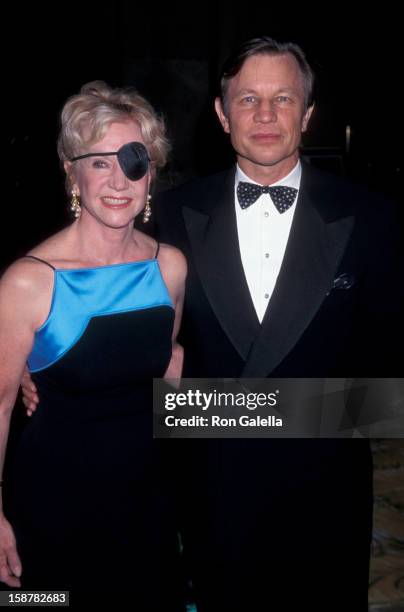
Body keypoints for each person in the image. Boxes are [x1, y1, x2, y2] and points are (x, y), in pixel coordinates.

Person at [22, 38, 403, 610]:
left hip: (323, 499)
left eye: (283, 98)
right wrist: (39, 365)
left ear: (308, 113)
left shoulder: (372, 218)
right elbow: (107, 320)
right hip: (212, 501)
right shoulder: (171, 220)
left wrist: (240, 410)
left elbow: (386, 392)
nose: (267, 115)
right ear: (223, 115)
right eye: (248, 99)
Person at [0, 81, 187, 610]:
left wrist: (275, 415)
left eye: (133, 161)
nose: (118, 180)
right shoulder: (28, 282)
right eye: (98, 162)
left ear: (151, 173)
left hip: (146, 501)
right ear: (70, 169)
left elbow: (164, 372)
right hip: (54, 505)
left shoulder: (168, 267)